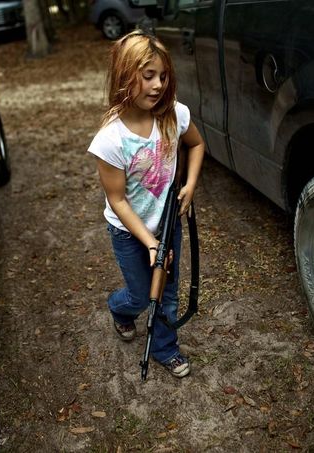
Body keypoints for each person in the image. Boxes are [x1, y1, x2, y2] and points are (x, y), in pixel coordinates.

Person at [88, 30, 205, 378]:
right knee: (140, 297)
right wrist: (150, 243)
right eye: (148, 75)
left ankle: (165, 349)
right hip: (128, 231)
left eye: (163, 76)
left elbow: (197, 145)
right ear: (126, 76)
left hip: (167, 223)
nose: (157, 85)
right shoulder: (110, 140)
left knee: (167, 293)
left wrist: (191, 184)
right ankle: (119, 309)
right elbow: (118, 200)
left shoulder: (174, 115)